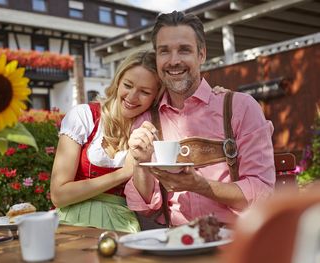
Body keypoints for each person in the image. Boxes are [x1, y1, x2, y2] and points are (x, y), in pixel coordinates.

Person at [125, 11, 275, 226]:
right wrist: (140, 162)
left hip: (234, 240)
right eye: (164, 51)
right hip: (176, 242)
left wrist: (200, 185)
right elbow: (146, 208)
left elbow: (261, 192)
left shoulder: (239, 108)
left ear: (201, 55)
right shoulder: (147, 120)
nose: (174, 61)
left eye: (184, 50)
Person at [50, 50, 164, 233]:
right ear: (118, 82)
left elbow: (146, 203)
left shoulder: (149, 130)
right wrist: (124, 173)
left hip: (123, 225)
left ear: (155, 97)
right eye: (128, 85)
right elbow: (58, 195)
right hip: (73, 223)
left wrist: (141, 162)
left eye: (144, 92)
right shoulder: (83, 117)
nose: (132, 97)